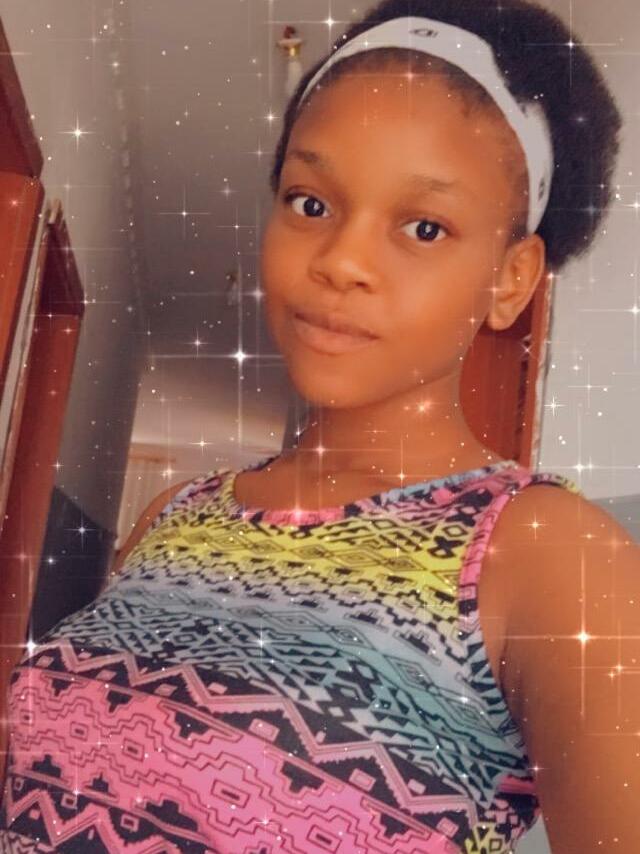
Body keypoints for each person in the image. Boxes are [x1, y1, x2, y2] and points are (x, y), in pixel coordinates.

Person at [1, 0, 637, 851]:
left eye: (423, 227)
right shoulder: (175, 515)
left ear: (511, 279)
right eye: (310, 203)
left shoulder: (553, 559)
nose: (340, 260)